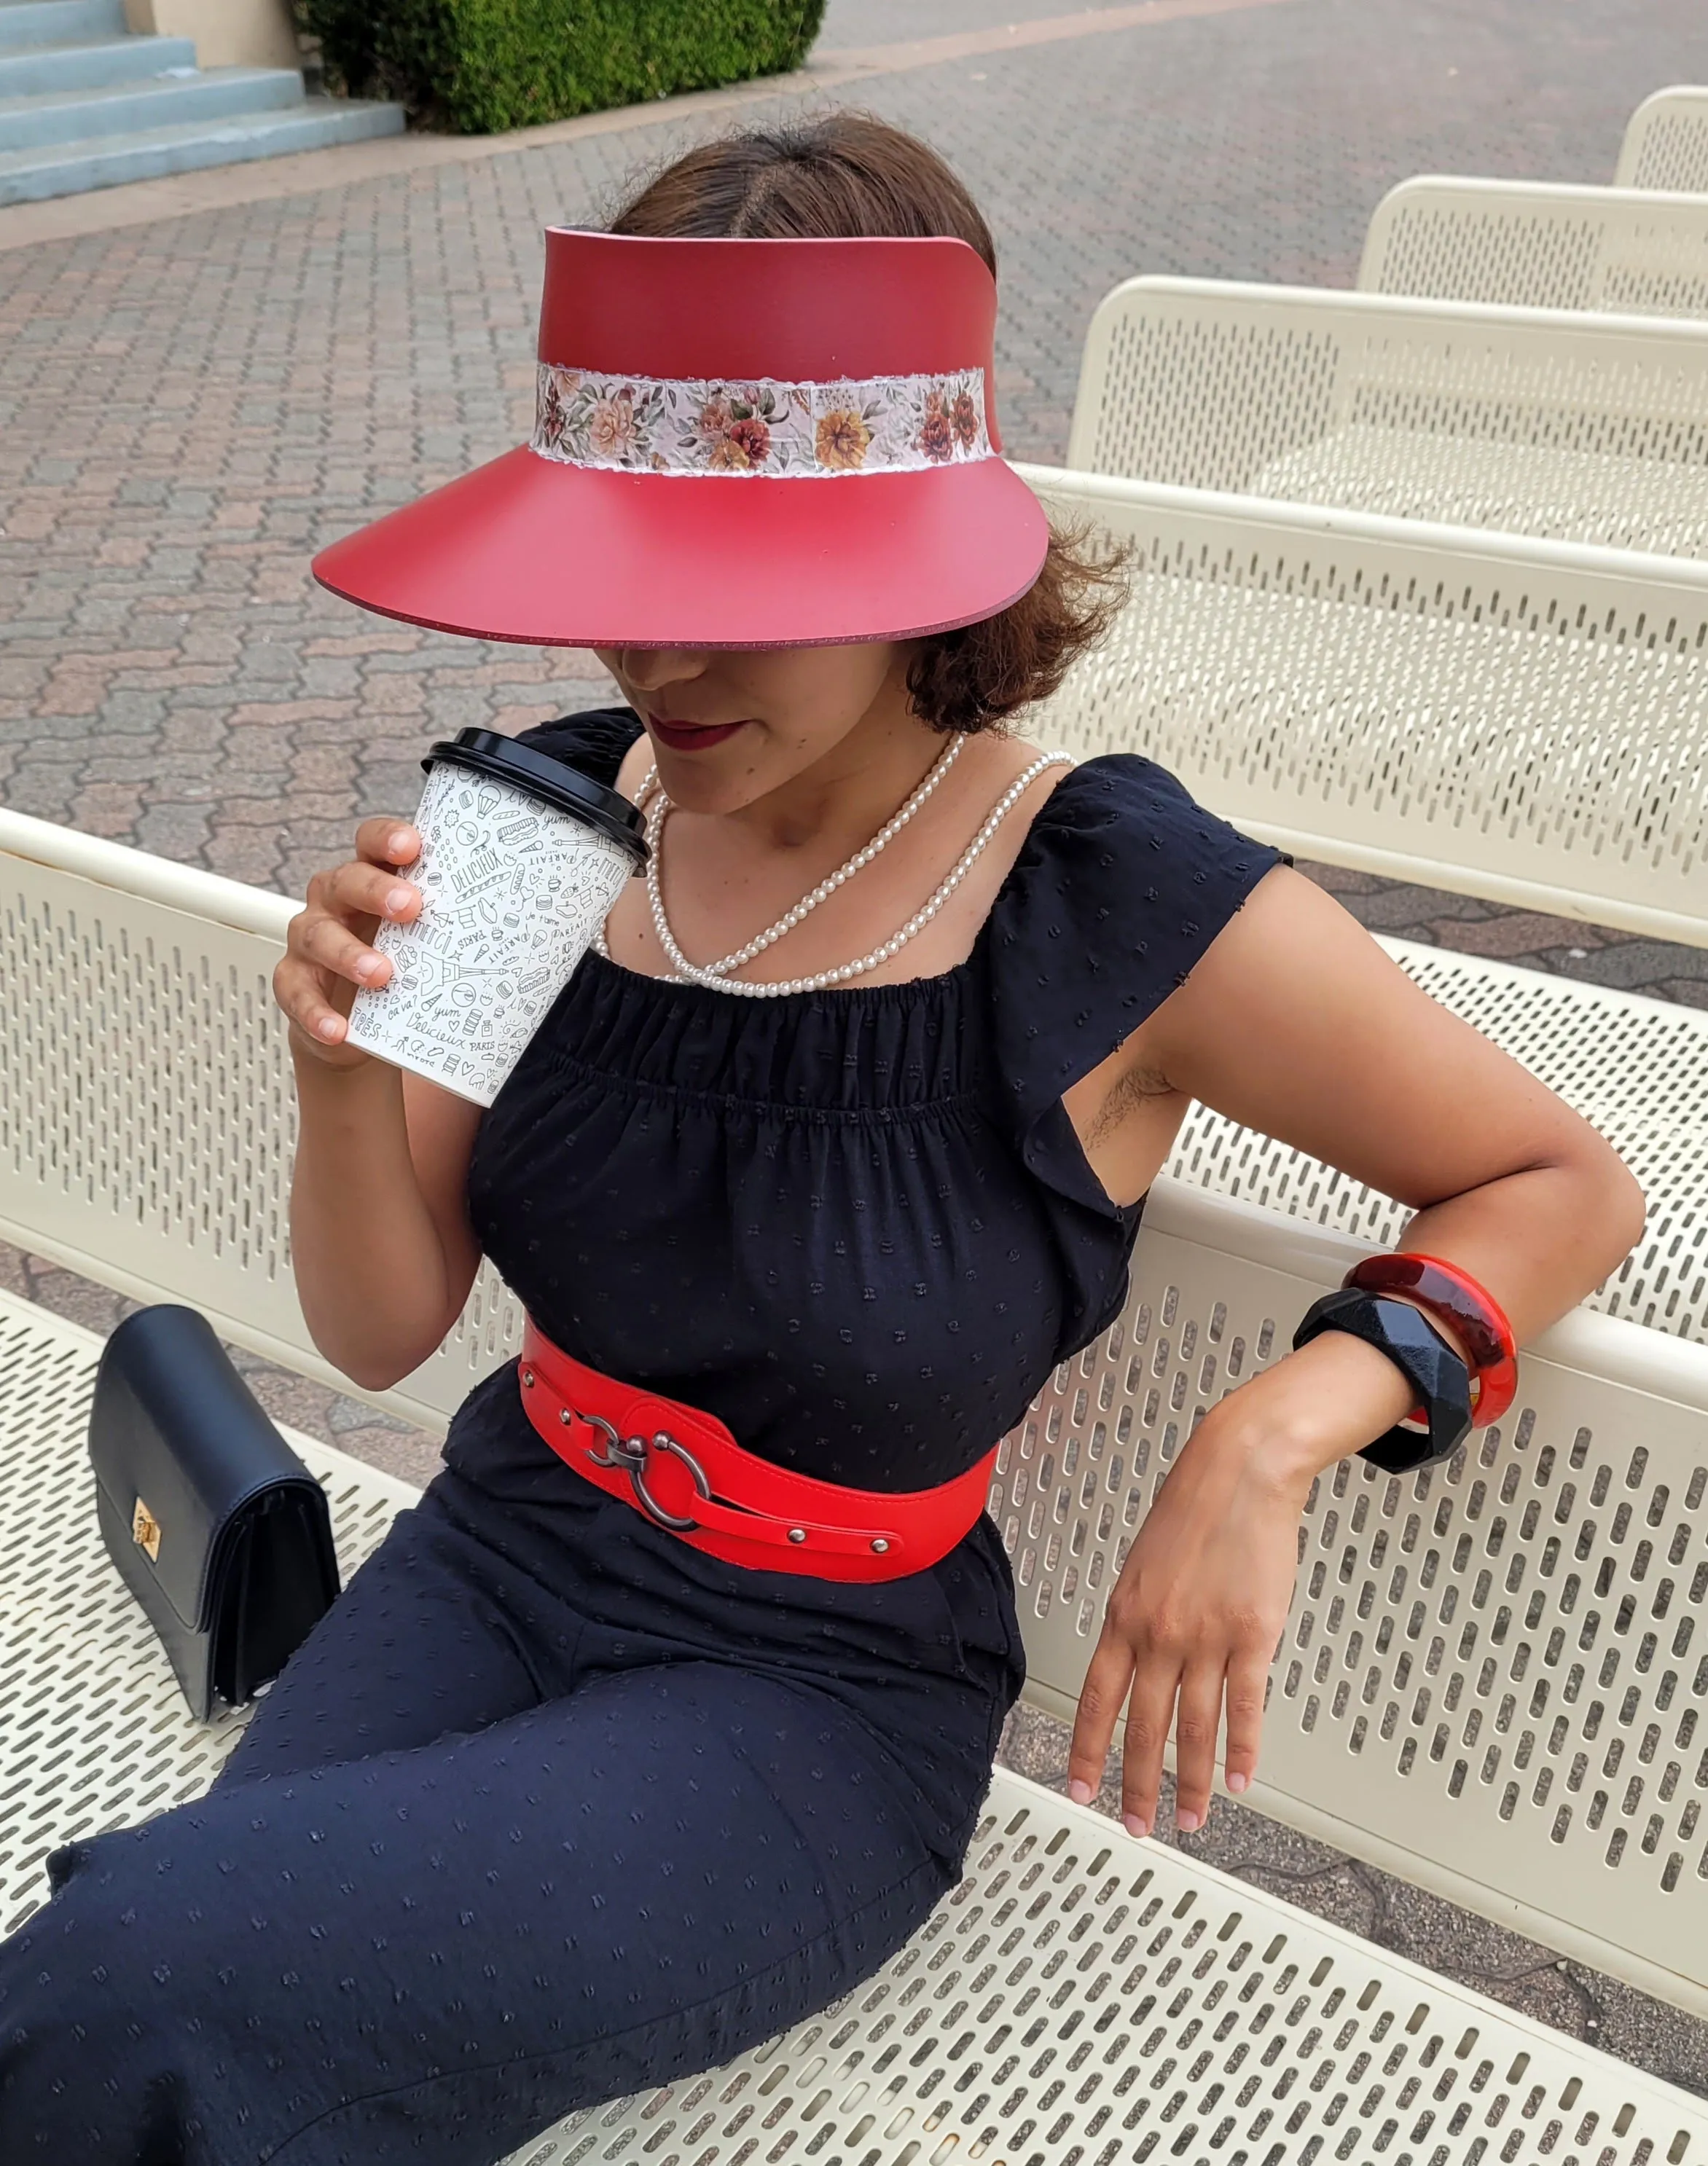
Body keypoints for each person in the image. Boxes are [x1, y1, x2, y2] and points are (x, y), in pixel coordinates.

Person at [0, 116, 1643, 2165]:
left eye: (737, 591)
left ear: (915, 569)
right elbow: (383, 1326)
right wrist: (344, 1069)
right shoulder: (543, 830)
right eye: (620, 575)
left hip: (812, 1694)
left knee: (142, 1974)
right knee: (186, 2006)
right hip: (497, 1557)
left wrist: (1280, 1427)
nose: (657, 661)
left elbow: (1564, 1177)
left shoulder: (1099, 897)